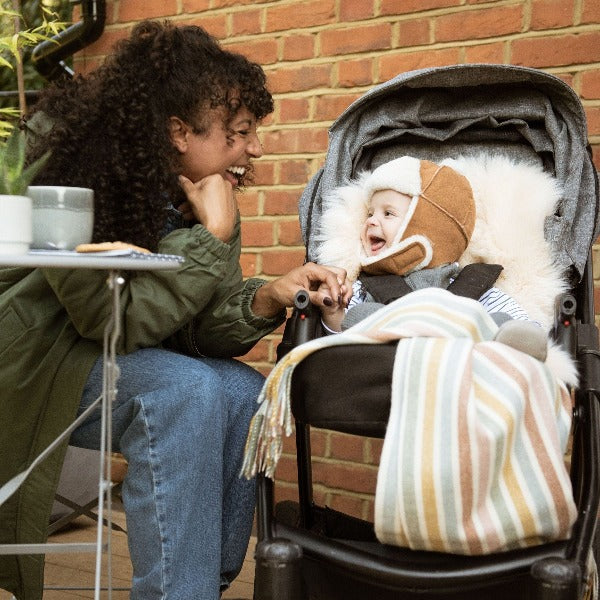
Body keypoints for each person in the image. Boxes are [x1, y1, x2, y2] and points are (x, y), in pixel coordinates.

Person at [0, 20, 347, 600]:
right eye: (239, 133)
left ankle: (194, 587)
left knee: (243, 393)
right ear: (178, 131)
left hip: (107, 357)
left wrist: (267, 296)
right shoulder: (79, 170)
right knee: (183, 390)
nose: (255, 149)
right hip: (33, 359)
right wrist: (211, 235)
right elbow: (111, 322)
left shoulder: (204, 189)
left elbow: (200, 327)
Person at [315, 156, 547, 358]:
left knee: (500, 320)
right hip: (390, 367)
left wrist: (518, 331)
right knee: (359, 317)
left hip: (461, 367)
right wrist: (334, 312)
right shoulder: (364, 289)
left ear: (427, 227)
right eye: (369, 213)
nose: (371, 221)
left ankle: (508, 350)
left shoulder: (471, 285)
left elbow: (524, 325)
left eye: (388, 213)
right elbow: (340, 339)